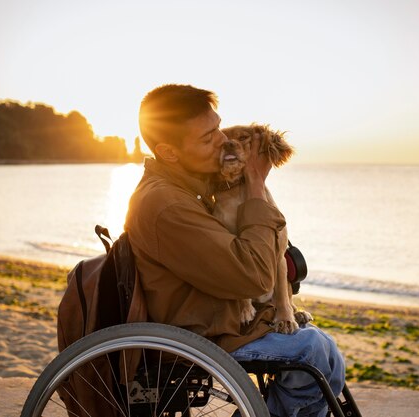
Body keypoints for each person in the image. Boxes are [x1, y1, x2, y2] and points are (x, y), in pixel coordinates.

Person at [124, 84, 345, 417]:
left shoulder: (186, 189)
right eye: (207, 137)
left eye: (217, 128)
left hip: (216, 315)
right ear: (169, 152)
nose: (222, 141)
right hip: (202, 331)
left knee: (324, 348)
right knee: (313, 352)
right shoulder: (167, 205)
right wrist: (256, 184)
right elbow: (253, 277)